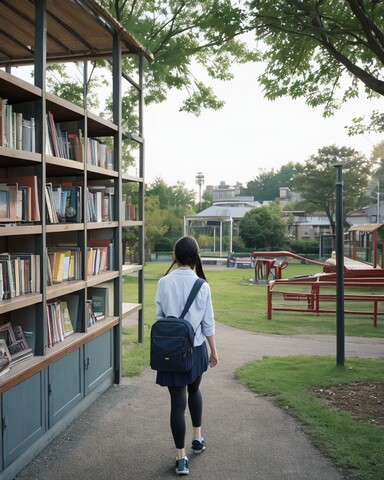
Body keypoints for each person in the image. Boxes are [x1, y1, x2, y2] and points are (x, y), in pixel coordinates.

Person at [155, 236, 219, 476]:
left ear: (175, 256)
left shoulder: (164, 282)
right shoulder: (202, 285)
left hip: (170, 352)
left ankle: (181, 459)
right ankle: (198, 438)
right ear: (196, 257)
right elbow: (208, 324)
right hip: (196, 349)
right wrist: (214, 352)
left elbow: (160, 316)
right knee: (194, 390)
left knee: (176, 404)